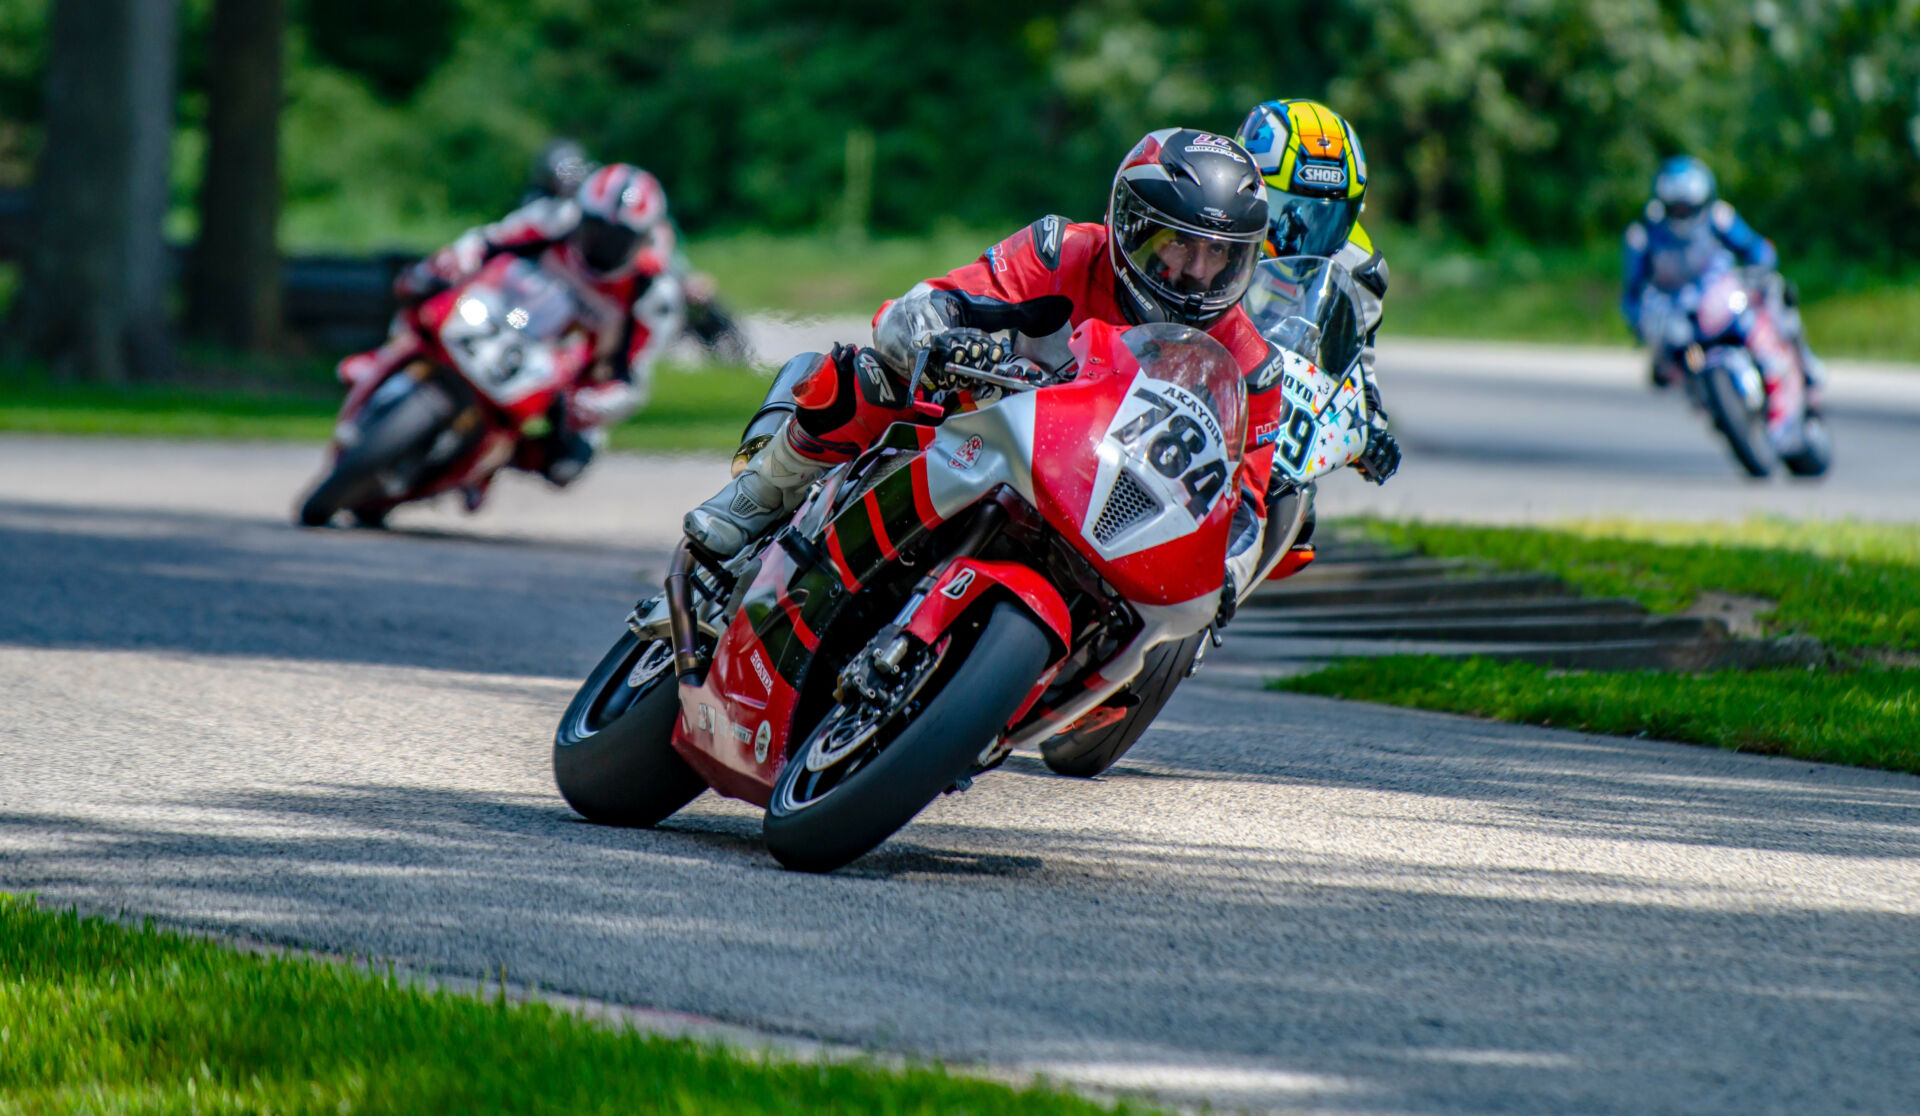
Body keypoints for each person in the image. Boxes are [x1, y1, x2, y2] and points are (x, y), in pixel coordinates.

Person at [686, 128, 1311, 619]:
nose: (1199, 273)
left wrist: (1228, 570)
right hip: (977, 426)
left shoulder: (1249, 364)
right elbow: (930, 303)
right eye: (1179, 245)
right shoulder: (1061, 250)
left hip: (1097, 499)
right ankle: (759, 494)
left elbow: (1245, 504)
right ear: (1133, 227)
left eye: (1221, 255)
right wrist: (944, 335)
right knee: (864, 375)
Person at [391, 163, 685, 489]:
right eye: (596, 229)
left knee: (567, 461)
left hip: (565, 370)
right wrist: (455, 261)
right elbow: (485, 241)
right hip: (502, 314)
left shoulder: (653, 291)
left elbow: (632, 377)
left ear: (642, 240)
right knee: (420, 285)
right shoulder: (554, 219)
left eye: (618, 238)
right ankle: (387, 357)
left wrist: (593, 401)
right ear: (581, 217)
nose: (603, 243)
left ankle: (489, 463)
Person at [1234, 98, 1399, 485]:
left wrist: (1371, 428)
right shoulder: (1214, 237)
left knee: (1298, 498)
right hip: (1207, 386)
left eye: (1326, 215)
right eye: (1287, 210)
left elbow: (1357, 362)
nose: (1302, 233)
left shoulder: (1358, 266)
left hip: (1285, 414)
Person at [1622, 156, 1822, 419]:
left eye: (1688, 206)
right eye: (1677, 207)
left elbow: (1755, 248)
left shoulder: (1718, 217)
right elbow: (1633, 292)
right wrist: (1642, 323)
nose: (1683, 212)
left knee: (1776, 294)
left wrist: (1758, 268)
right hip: (1683, 318)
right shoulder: (1644, 235)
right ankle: (1706, 398)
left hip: (1723, 297)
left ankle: (1806, 369)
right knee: (1667, 359)